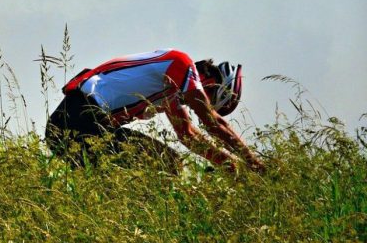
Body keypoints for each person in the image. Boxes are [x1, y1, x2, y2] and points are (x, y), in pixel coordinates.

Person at [45, 49, 264, 173]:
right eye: (209, 100)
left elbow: (188, 135)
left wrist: (227, 164)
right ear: (210, 84)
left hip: (71, 127)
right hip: (79, 120)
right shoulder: (180, 64)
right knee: (167, 162)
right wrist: (254, 163)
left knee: (142, 176)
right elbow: (213, 123)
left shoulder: (170, 89)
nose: (195, 105)